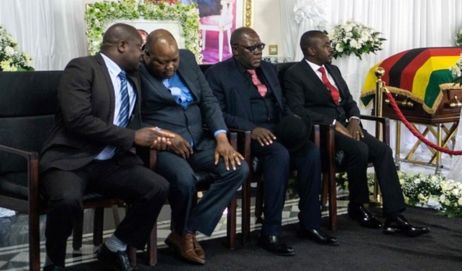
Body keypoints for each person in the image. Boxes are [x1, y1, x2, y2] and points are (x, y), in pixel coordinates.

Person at [39, 23, 174, 271]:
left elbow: (132, 119)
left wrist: (154, 135)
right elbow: (77, 119)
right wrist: (132, 137)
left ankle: (115, 245)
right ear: (122, 46)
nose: (143, 55)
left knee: (157, 187)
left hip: (112, 162)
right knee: (67, 200)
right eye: (140, 48)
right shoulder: (82, 68)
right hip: (71, 159)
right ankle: (54, 261)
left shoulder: (133, 77)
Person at [283, 30, 430, 238]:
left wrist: (354, 120)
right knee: (359, 149)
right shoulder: (295, 74)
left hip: (347, 125)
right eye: (326, 45)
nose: (331, 48)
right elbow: (297, 109)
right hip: (321, 131)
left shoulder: (332, 69)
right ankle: (357, 205)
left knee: (382, 150)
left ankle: (395, 216)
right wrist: (333, 123)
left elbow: (350, 102)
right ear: (311, 50)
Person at [205, 27, 338, 257]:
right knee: (279, 154)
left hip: (276, 129)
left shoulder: (268, 68)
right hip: (246, 134)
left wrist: (293, 122)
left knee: (310, 152)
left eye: (260, 47)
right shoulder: (218, 74)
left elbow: (282, 104)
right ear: (235, 49)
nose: (258, 52)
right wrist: (251, 129)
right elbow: (218, 113)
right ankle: (271, 231)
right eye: (251, 48)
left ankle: (310, 223)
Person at [139, 29, 249, 264]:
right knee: (184, 179)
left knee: (237, 168)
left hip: (199, 142)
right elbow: (134, 118)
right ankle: (184, 235)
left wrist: (221, 138)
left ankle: (186, 231)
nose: (170, 67)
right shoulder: (135, 70)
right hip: (164, 147)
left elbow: (209, 101)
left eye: (173, 60)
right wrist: (165, 138)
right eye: (162, 62)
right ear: (146, 55)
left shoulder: (187, 59)